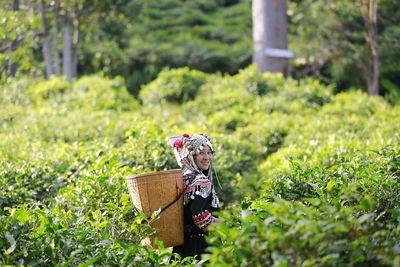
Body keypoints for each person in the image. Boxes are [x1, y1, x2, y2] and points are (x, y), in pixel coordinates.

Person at [169, 133, 223, 260]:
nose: (207, 157)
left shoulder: (182, 178)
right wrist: (228, 225)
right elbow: (201, 219)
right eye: (201, 153)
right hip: (201, 249)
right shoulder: (201, 181)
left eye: (209, 152)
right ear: (191, 156)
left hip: (183, 247)